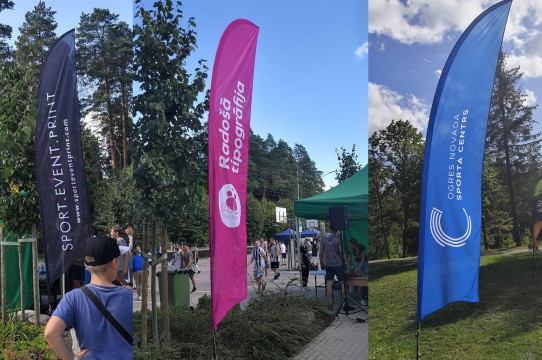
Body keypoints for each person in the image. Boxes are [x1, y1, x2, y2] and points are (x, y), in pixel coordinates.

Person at [44, 235, 133, 359]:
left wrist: (72, 358)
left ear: (87, 264)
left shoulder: (73, 298)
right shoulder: (129, 296)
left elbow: (50, 333)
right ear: (114, 263)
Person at [319, 231, 347, 311]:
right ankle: (344, 303)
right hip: (338, 264)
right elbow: (341, 252)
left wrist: (321, 262)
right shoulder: (338, 239)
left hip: (328, 264)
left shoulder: (323, 239)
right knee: (342, 283)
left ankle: (329, 304)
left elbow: (321, 253)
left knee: (329, 283)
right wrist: (345, 262)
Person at [124, 223, 135, 287]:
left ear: (130, 228)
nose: (125, 231)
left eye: (126, 229)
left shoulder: (133, 237)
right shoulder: (129, 237)